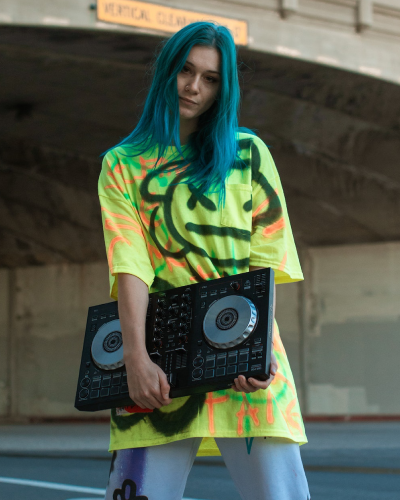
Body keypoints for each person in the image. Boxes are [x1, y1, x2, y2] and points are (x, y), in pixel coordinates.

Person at [99, 21, 310, 500]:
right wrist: (136, 359)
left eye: (211, 78)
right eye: (185, 70)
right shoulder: (123, 165)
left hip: (245, 354)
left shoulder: (248, 154)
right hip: (160, 356)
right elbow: (129, 262)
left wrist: (254, 349)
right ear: (166, 71)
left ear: (223, 87)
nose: (194, 86)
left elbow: (266, 259)